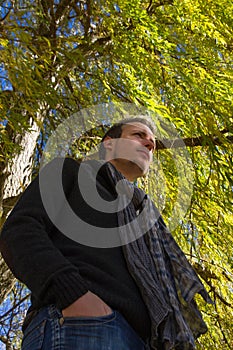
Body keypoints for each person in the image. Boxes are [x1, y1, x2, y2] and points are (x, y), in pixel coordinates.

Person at [0, 117, 212, 350]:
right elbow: (21, 231)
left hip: (144, 341)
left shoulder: (146, 218)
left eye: (152, 142)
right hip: (83, 326)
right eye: (138, 135)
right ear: (109, 144)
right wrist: (74, 295)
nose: (150, 144)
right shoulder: (70, 172)